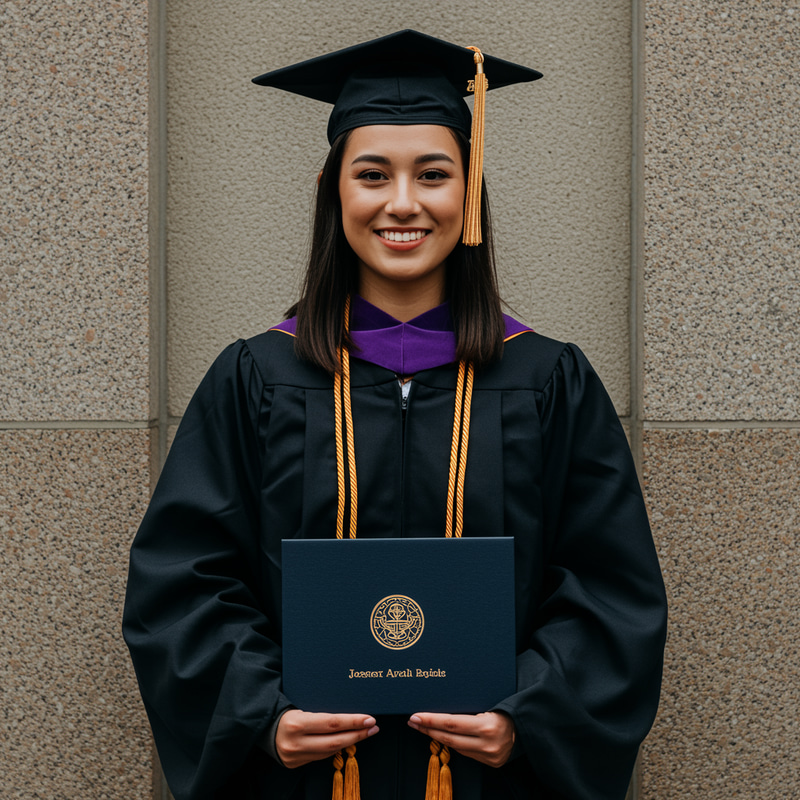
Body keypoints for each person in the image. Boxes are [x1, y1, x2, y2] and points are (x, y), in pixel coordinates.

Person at [123, 30, 667, 800]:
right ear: (332, 190)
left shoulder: (549, 381)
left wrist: (530, 715)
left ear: (470, 191)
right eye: (373, 174)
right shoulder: (256, 379)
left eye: (434, 174)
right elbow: (182, 584)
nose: (403, 202)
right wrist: (261, 714)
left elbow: (611, 591)